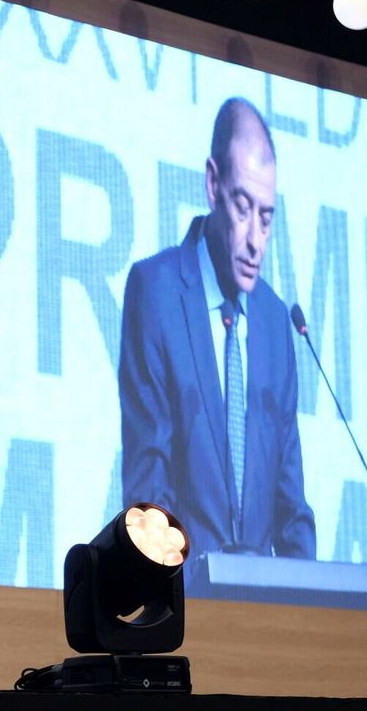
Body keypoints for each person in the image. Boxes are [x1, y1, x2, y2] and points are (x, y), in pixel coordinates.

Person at [118, 97, 315, 564]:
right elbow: (150, 483)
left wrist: (311, 621)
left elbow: (291, 507)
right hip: (185, 608)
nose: (254, 240)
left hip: (265, 621)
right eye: (242, 208)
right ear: (212, 184)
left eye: (266, 219)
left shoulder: (273, 322)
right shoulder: (156, 292)